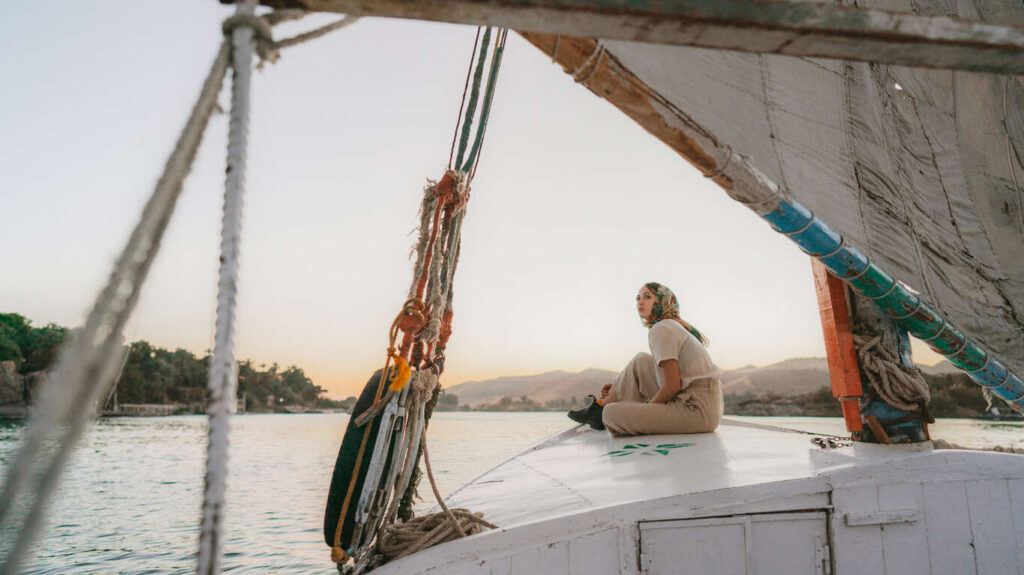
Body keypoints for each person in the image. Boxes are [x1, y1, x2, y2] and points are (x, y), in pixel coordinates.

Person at [568, 282, 723, 436]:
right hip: (701, 403)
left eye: (647, 297)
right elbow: (672, 381)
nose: (640, 302)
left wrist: (649, 409)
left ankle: (602, 411)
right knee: (641, 361)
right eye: (638, 298)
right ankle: (598, 409)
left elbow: (672, 385)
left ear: (661, 302)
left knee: (610, 414)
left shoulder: (662, 328)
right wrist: (618, 386)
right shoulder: (670, 325)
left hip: (696, 411)